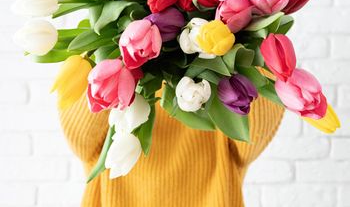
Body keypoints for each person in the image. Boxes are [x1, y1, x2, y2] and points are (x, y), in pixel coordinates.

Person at [60, 80, 284, 207]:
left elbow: (249, 141)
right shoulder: (107, 54)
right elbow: (82, 141)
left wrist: (247, 35)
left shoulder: (220, 80)